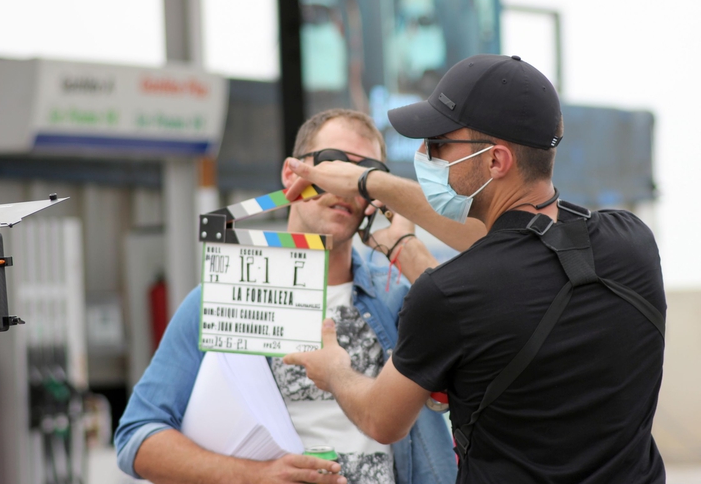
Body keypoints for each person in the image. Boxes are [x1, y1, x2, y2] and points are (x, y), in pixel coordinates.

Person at [284, 55, 667, 483]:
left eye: (439, 144)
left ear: (495, 161)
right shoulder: (633, 243)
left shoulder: (449, 295)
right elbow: (519, 246)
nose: (423, 154)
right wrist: (370, 187)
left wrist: (333, 369)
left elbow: (380, 420)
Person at [114, 109, 457, 484]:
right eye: (333, 164)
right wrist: (256, 476)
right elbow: (137, 437)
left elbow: (474, 334)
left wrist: (405, 250)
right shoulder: (223, 296)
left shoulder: (397, 298)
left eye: (363, 177)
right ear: (292, 174)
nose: (345, 186)